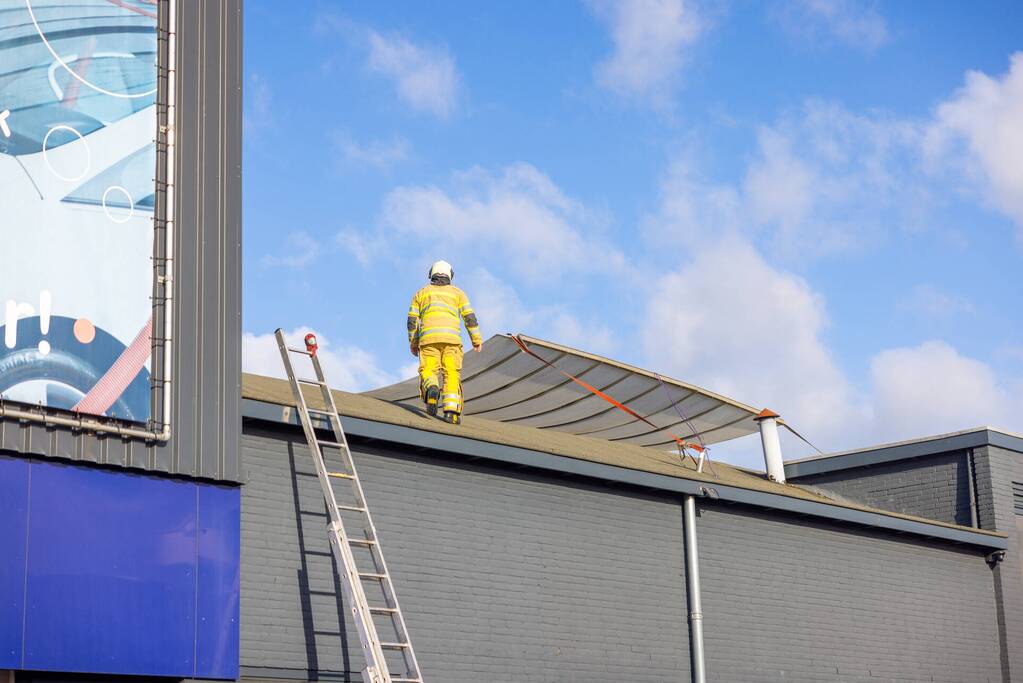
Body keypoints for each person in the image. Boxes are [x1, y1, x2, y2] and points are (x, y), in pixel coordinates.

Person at [407, 260, 482, 424]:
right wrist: (476, 340)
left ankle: (431, 388)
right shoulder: (458, 293)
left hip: (428, 341)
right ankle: (451, 413)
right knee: (451, 374)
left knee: (428, 370)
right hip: (452, 342)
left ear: (431, 274)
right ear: (450, 275)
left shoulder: (421, 294)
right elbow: (470, 318)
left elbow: (412, 321)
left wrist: (413, 343)